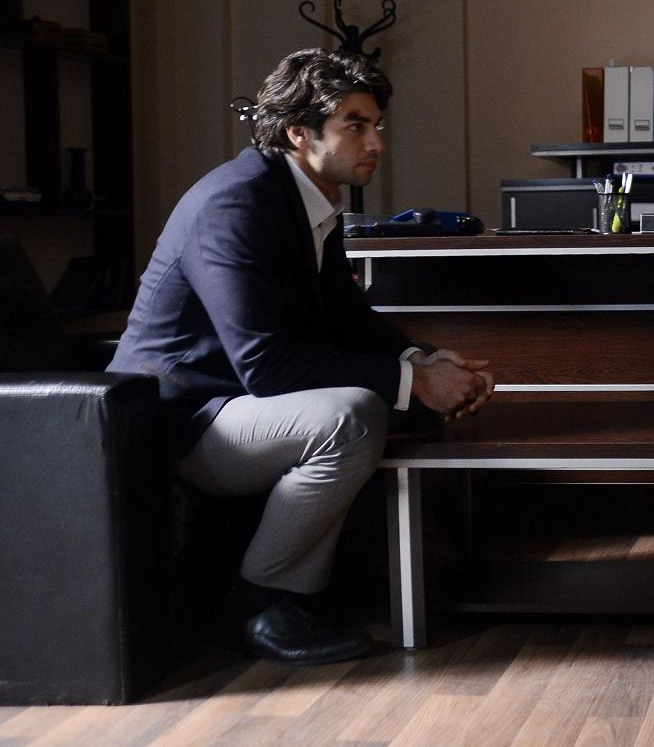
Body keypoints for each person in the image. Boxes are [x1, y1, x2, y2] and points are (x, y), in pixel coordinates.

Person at [110, 48, 493, 666]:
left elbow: (346, 319)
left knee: (378, 400)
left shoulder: (310, 200)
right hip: (181, 420)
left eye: (377, 126)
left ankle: (319, 589)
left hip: (235, 404)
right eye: (355, 126)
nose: (376, 143)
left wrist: (426, 358)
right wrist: (415, 382)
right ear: (298, 132)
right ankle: (259, 603)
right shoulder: (237, 204)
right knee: (352, 416)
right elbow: (266, 365)